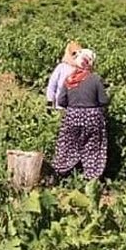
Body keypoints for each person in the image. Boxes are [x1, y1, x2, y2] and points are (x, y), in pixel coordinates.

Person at [52, 49, 109, 180]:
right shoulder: (95, 79)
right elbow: (104, 100)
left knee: (67, 146)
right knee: (92, 147)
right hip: (92, 117)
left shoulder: (69, 79)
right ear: (90, 63)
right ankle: (91, 178)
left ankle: (60, 174)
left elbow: (61, 101)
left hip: (72, 116)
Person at [46, 40, 82, 109]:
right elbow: (52, 86)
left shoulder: (82, 69)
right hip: (60, 108)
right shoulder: (61, 67)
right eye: (73, 53)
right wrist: (50, 103)